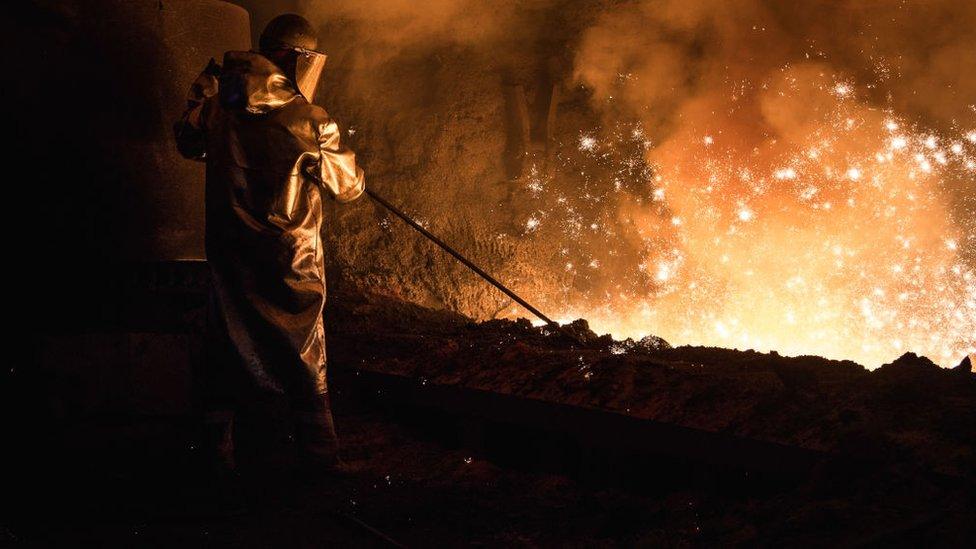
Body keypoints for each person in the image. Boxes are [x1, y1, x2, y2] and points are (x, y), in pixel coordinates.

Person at [175, 13, 364, 476]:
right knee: (302, 355)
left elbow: (187, 142)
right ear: (296, 58)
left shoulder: (220, 108)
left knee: (226, 345)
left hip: (230, 256)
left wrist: (199, 93)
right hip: (289, 258)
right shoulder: (310, 120)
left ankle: (214, 461)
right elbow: (350, 188)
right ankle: (320, 460)